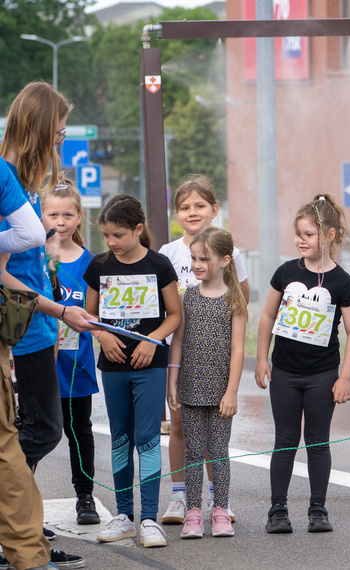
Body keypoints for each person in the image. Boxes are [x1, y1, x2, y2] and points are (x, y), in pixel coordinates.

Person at [0, 81, 90, 570]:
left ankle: (23, 531)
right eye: (57, 133)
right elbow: (2, 272)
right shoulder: (4, 176)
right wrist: (58, 311)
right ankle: (17, 533)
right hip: (24, 326)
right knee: (37, 433)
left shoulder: (22, 180)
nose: (61, 141)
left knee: (30, 432)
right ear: (37, 128)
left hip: (36, 326)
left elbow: (30, 262)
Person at [255, 194, 350, 534]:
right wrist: (260, 358)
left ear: (328, 235)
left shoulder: (342, 282)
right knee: (285, 439)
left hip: (322, 374)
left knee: (317, 440)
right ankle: (278, 509)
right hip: (284, 371)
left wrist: (345, 377)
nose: (301, 240)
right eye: (298, 234)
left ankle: (318, 509)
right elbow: (267, 316)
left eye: (309, 234)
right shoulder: (285, 273)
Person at [83, 194, 181, 547]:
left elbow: (175, 315)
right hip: (112, 367)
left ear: (138, 230)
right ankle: (123, 515)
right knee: (121, 436)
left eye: (118, 235)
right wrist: (102, 335)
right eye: (106, 236)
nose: (112, 243)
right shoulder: (98, 265)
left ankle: (150, 518)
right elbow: (88, 315)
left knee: (148, 438)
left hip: (150, 365)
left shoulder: (159, 265)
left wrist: (151, 340)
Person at [158, 175, 249, 526]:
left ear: (214, 210)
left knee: (215, 435)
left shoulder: (232, 252)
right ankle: (181, 498)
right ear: (176, 212)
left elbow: (243, 298)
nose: (192, 212)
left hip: (214, 354)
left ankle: (216, 500)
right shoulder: (169, 252)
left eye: (199, 205)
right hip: (182, 352)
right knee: (180, 425)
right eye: (184, 207)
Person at [43, 181, 100, 526]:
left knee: (79, 430)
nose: (61, 221)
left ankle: (85, 496)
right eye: (53, 214)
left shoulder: (92, 264)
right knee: (33, 432)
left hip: (75, 364)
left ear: (80, 217)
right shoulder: (33, 260)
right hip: (38, 361)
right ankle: (23, 504)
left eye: (68, 214)